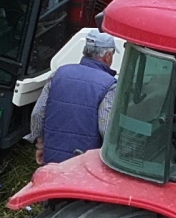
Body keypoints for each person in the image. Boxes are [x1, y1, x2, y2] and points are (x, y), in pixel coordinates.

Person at [35, 32, 119, 167]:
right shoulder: (109, 85)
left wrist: (40, 145)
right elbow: (106, 128)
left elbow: (38, 113)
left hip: (52, 161)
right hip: (83, 165)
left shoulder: (58, 74)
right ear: (108, 56)